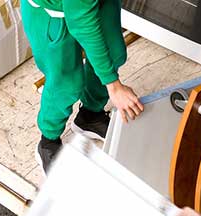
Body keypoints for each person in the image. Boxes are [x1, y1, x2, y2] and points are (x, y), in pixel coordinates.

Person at [21, 0, 144, 173]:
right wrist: (113, 86)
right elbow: (83, 25)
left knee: (113, 53)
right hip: (50, 13)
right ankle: (48, 141)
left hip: (93, 4)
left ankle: (90, 117)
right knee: (66, 82)